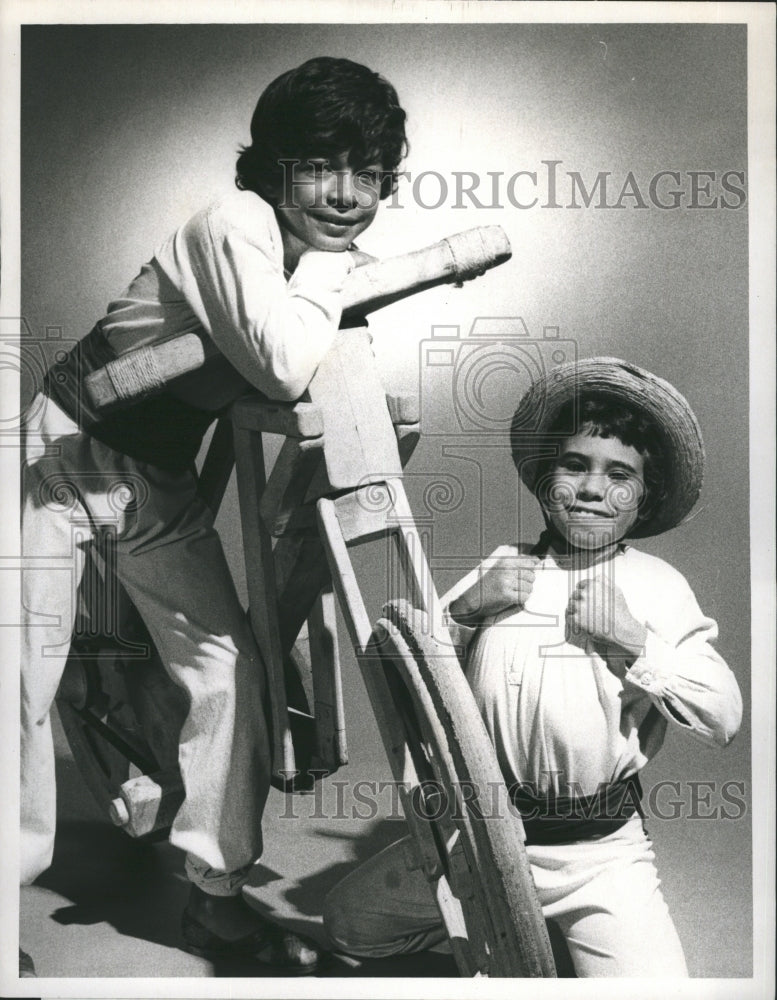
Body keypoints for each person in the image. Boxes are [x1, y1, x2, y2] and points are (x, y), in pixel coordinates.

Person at [20, 56, 407, 976]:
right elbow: (279, 363)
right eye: (320, 166)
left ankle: (216, 899)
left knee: (226, 672)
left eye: (368, 173)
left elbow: (317, 368)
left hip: (154, 483)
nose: (346, 194)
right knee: (15, 688)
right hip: (54, 457)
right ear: (273, 167)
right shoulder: (232, 224)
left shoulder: (312, 253)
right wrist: (332, 273)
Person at [323, 356, 743, 977]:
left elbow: (723, 717)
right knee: (346, 926)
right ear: (547, 479)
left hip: (597, 858)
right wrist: (466, 609)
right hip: (479, 839)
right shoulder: (503, 566)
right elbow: (404, 686)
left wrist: (634, 638)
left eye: (620, 474)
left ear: (644, 496)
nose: (594, 488)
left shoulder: (655, 586)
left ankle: (552, 935)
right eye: (575, 465)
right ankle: (515, 939)